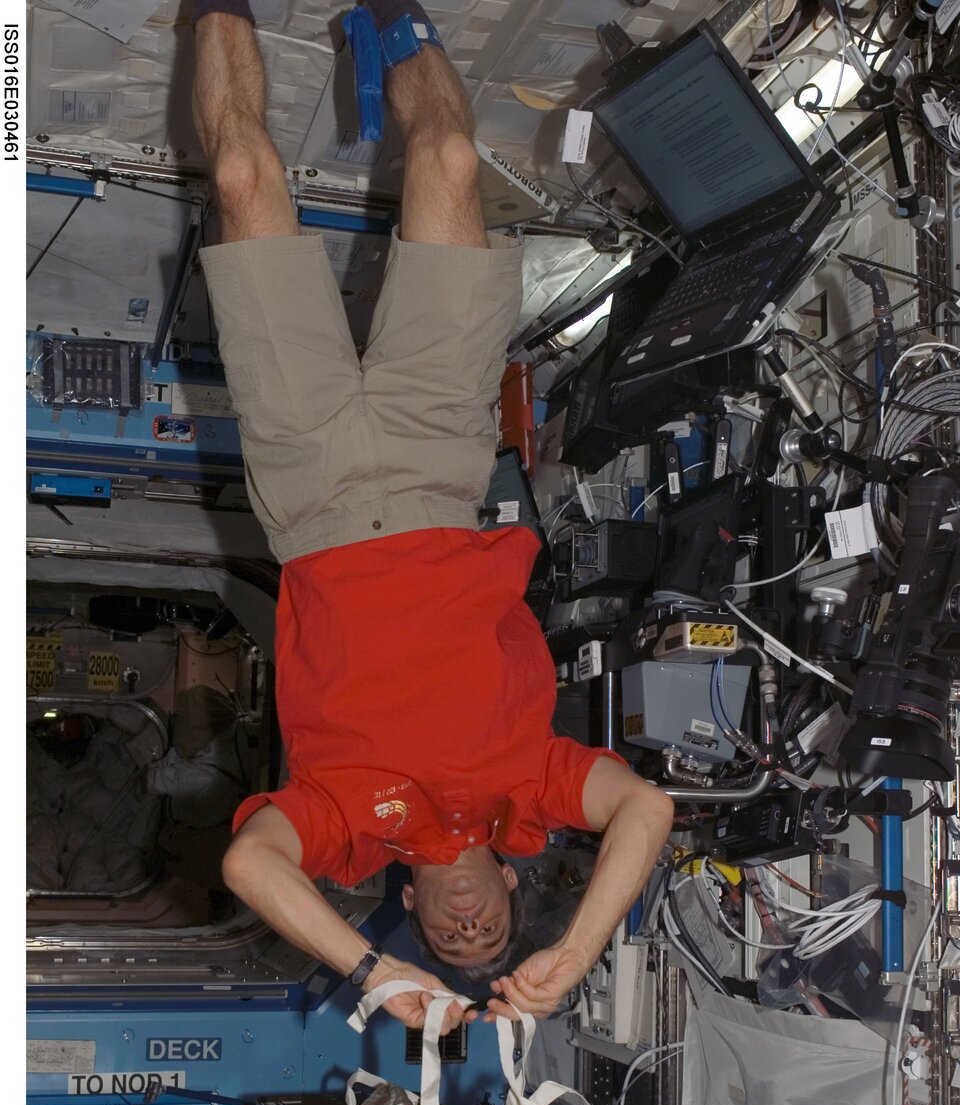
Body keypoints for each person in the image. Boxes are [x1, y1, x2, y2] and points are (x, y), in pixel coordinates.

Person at [190, 0, 674, 1034]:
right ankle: (392, 16)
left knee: (241, 180)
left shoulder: (347, 834)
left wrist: (377, 974)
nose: (465, 933)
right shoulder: (534, 790)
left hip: (311, 486)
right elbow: (648, 810)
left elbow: (249, 863)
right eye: (487, 934)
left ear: (408, 904)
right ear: (509, 886)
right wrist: (575, 955)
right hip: (438, 464)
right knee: (452, 160)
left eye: (447, 942)